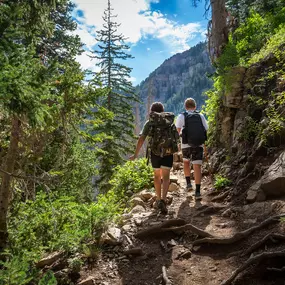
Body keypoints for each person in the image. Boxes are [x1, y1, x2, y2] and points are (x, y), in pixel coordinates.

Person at [130, 102, 179, 214]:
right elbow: (175, 137)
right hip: (167, 153)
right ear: (163, 111)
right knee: (166, 177)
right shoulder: (169, 121)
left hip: (155, 153)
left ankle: (158, 198)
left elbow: (141, 139)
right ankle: (163, 199)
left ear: (152, 111)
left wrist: (136, 154)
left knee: (157, 176)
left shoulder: (149, 123)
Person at [176, 98, 208, 199]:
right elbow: (206, 128)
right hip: (198, 143)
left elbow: (178, 131)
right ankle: (198, 192)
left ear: (185, 107)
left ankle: (189, 184)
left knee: (186, 162)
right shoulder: (200, 115)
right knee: (197, 166)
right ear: (195, 106)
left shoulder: (182, 116)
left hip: (185, 144)